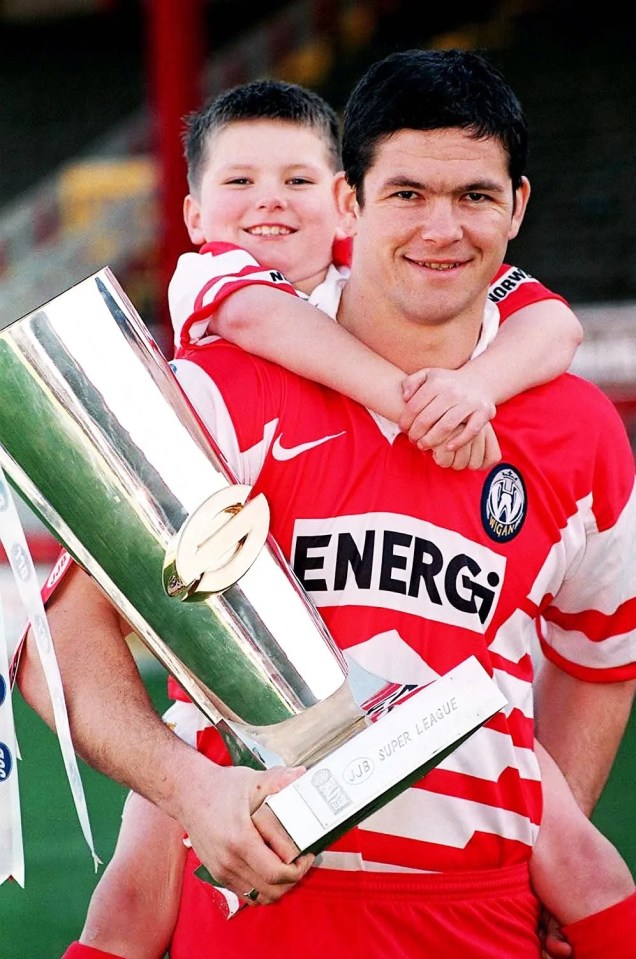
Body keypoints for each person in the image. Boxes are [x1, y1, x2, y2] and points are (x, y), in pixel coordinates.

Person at [17, 60, 636, 958]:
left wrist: (557, 834)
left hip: (482, 920)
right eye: (408, 193)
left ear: (519, 205)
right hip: (250, 914)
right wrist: (190, 790)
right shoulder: (216, 388)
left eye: (474, 196)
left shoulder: (579, 430)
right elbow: (57, 644)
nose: (441, 227)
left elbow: (600, 653)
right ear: (351, 203)